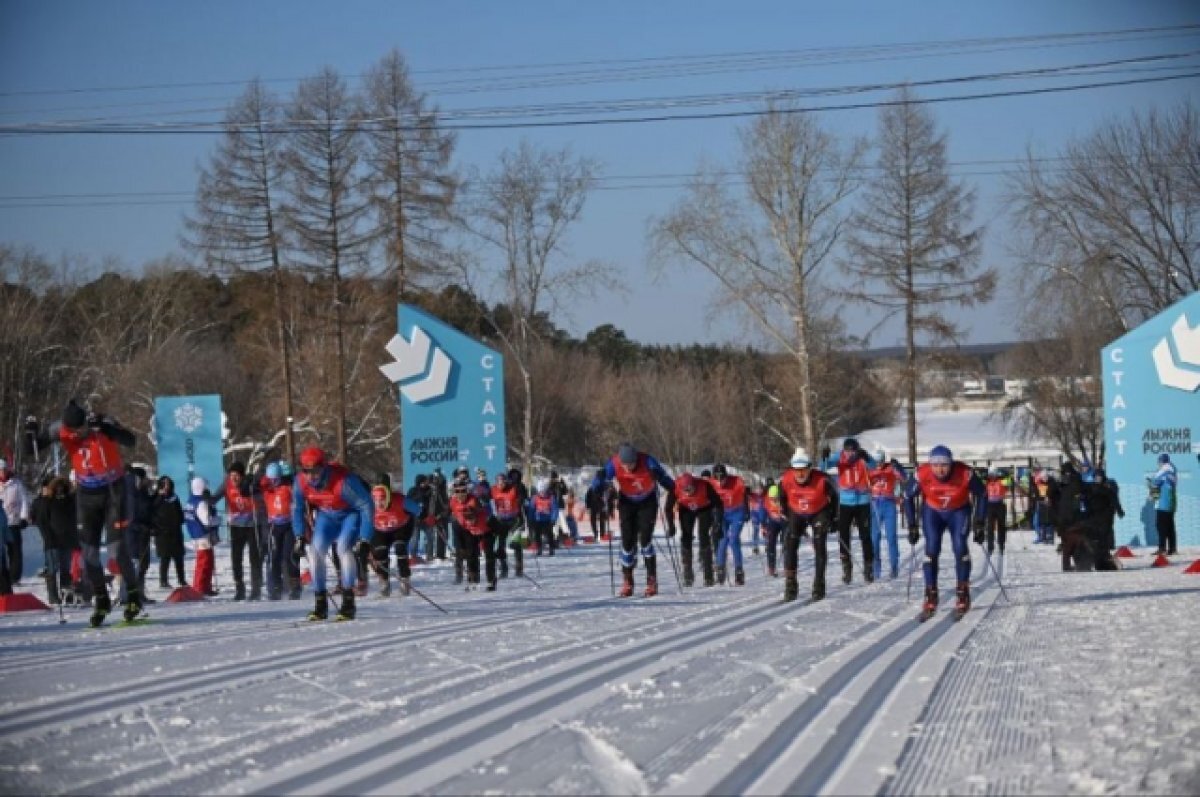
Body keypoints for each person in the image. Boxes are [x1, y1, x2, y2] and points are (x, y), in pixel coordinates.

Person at [29, 401, 139, 626]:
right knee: (88, 554)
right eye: (73, 431)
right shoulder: (60, 429)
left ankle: (134, 596)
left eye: (80, 428)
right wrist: (30, 433)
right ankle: (101, 599)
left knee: (116, 551)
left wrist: (109, 430)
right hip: (87, 495)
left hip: (113, 491)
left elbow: (131, 440)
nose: (77, 434)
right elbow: (34, 448)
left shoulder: (100, 422)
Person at [904, 445, 986, 621]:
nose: (940, 470)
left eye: (944, 465)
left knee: (959, 546)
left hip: (958, 511)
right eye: (935, 465)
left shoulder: (965, 473)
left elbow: (983, 493)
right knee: (931, 549)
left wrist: (980, 522)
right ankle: (930, 594)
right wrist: (911, 524)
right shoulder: (922, 473)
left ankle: (962, 592)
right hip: (933, 511)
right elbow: (907, 496)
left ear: (951, 464)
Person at [292, 446, 374, 621]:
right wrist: (299, 535)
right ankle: (320, 604)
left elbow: (367, 505)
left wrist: (365, 538)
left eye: (315, 471)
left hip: (349, 515)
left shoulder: (344, 482)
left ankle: (348, 603)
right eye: (306, 471)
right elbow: (297, 508)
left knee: (343, 548)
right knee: (315, 552)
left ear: (324, 467)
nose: (311, 476)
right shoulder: (300, 482)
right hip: (327, 516)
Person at [604, 442, 675, 598]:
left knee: (645, 540)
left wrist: (670, 487)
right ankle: (627, 580)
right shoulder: (614, 463)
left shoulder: (648, 461)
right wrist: (601, 487)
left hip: (647, 501)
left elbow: (665, 478)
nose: (628, 467)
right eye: (625, 465)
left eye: (631, 464)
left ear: (636, 459)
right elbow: (602, 478)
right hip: (627, 501)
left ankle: (651, 580)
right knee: (627, 542)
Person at [778, 448, 840, 602]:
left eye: (803, 470)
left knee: (819, 544)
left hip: (819, 511)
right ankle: (791, 585)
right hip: (796, 512)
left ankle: (819, 585)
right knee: (790, 544)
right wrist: (785, 511)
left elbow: (835, 498)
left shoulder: (823, 480)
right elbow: (782, 496)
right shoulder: (785, 480)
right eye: (796, 470)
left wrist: (835, 518)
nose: (800, 474)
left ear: (810, 468)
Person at [821, 438, 877, 585]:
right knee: (844, 535)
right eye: (847, 451)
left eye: (853, 451)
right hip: (845, 502)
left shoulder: (862, 457)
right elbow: (823, 467)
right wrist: (825, 457)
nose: (850, 454)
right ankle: (847, 567)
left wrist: (866, 457)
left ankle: (868, 566)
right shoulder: (839, 457)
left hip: (863, 501)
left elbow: (874, 466)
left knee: (865, 535)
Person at [663, 471, 724, 587]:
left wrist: (718, 523)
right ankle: (688, 573)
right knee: (686, 536)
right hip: (686, 509)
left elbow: (718, 504)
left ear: (694, 484)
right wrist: (671, 526)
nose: (688, 492)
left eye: (690, 489)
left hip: (704, 508)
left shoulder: (704, 485)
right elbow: (668, 508)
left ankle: (708, 575)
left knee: (703, 536)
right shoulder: (675, 487)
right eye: (685, 490)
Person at [218, 461, 264, 601]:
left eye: (236, 476)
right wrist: (207, 497)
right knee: (236, 558)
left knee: (254, 558)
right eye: (231, 475)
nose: (234, 478)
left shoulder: (250, 483)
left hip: (252, 525)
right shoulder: (227, 484)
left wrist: (253, 489)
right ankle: (239, 588)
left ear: (242, 475)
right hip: (236, 526)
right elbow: (215, 498)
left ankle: (256, 589)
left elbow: (262, 498)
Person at [369, 481, 423, 596]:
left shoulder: (400, 500)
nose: (380, 504)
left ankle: (405, 578)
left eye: (383, 500)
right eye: (376, 501)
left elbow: (419, 510)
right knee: (380, 552)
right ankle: (384, 582)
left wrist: (426, 517)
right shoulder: (369, 505)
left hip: (401, 527)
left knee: (400, 547)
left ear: (388, 497)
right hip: (381, 530)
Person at [448, 474, 498, 590]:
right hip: (470, 531)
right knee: (471, 555)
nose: (460, 494)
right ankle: (473, 579)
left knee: (489, 554)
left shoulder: (474, 500)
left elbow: (484, 503)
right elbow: (455, 522)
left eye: (463, 491)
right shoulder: (453, 502)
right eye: (457, 491)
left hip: (486, 530)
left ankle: (491, 580)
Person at [261, 463, 300, 600]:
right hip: (274, 526)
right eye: (271, 479)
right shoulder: (266, 489)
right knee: (274, 557)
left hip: (289, 525)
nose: (274, 482)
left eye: (276, 479)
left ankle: (295, 586)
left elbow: (299, 495)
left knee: (289, 556)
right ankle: (276, 587)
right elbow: (252, 489)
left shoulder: (287, 487)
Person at [867, 449, 905, 579]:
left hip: (889, 503)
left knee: (891, 537)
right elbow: (862, 483)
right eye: (876, 462)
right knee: (874, 538)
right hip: (875, 504)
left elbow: (903, 477)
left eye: (881, 462)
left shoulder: (890, 468)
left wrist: (898, 466)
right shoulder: (870, 469)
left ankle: (894, 566)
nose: (879, 465)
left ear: (884, 460)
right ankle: (875, 567)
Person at [711, 463, 748, 586]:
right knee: (722, 540)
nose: (720, 481)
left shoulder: (736, 481)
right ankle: (720, 569)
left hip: (737, 512)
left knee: (733, 540)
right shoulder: (711, 484)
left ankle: (739, 571)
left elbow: (745, 495)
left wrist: (747, 510)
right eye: (717, 478)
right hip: (722, 514)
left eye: (723, 478)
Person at [185, 477, 220, 597]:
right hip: (203, 535)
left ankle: (205, 586)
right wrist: (217, 520)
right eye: (206, 487)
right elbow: (207, 521)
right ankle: (200, 587)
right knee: (205, 562)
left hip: (195, 534)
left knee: (205, 561)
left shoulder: (191, 500)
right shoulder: (201, 503)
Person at [0, 459, 31, 587]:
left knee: (15, 550)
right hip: (1, 522)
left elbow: (24, 501)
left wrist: (24, 518)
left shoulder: (16, 484)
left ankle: (14, 576)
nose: (2, 473)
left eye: (3, 470)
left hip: (13, 521)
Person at [152, 476, 187, 590]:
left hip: (175, 532)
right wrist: (161, 496)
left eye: (168, 484)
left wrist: (179, 520)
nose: (167, 487)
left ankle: (182, 580)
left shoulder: (175, 498)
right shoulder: (156, 497)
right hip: (162, 533)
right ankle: (163, 580)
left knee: (179, 558)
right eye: (164, 484)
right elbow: (152, 511)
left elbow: (180, 514)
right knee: (165, 558)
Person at [490, 470, 523, 578]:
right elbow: (486, 499)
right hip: (501, 520)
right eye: (499, 483)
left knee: (515, 544)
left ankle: (519, 568)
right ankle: (504, 568)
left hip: (514, 520)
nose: (501, 485)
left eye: (503, 482)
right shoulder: (493, 490)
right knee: (501, 545)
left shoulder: (513, 489)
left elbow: (520, 495)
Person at [1149, 453, 1178, 556]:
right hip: (1170, 502)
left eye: (1159, 462)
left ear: (1161, 461)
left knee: (1161, 526)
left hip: (1163, 502)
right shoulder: (1172, 470)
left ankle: (1162, 548)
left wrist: (1151, 486)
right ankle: (1172, 548)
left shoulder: (1164, 471)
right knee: (1170, 526)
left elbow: (1156, 483)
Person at [761, 484, 788, 578]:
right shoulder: (766, 500)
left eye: (776, 498)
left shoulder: (785, 500)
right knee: (770, 542)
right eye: (772, 498)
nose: (774, 500)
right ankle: (771, 567)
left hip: (784, 522)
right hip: (773, 522)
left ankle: (787, 566)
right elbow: (763, 512)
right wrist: (763, 524)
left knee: (786, 542)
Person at [528, 478, 559, 556]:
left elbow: (555, 509)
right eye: (541, 492)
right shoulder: (535, 498)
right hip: (537, 519)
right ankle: (539, 548)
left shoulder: (551, 498)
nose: (543, 493)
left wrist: (553, 519)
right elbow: (531, 509)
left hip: (548, 520)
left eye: (544, 491)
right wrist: (531, 519)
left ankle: (551, 548)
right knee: (537, 535)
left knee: (549, 534)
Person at [982, 466, 1009, 557]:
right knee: (990, 526)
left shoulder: (1001, 481)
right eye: (991, 474)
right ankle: (990, 546)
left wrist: (1002, 474)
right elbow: (982, 481)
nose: (992, 476)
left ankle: (1001, 544)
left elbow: (1008, 480)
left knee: (1001, 525)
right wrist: (986, 476)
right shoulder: (987, 482)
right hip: (990, 505)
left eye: (994, 474)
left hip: (1000, 504)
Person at [584, 469, 609, 542]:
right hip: (598, 503)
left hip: (595, 504)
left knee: (596, 519)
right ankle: (601, 534)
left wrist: (588, 505)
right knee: (601, 519)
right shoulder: (602, 482)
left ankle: (597, 534)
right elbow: (603, 493)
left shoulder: (594, 483)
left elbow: (588, 495)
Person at [747, 484, 765, 556]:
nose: (759, 491)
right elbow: (747, 495)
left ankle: (767, 545)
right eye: (757, 489)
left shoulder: (764, 496)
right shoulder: (753, 495)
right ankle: (755, 547)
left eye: (760, 489)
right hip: (755, 514)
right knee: (755, 530)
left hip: (763, 514)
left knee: (765, 530)